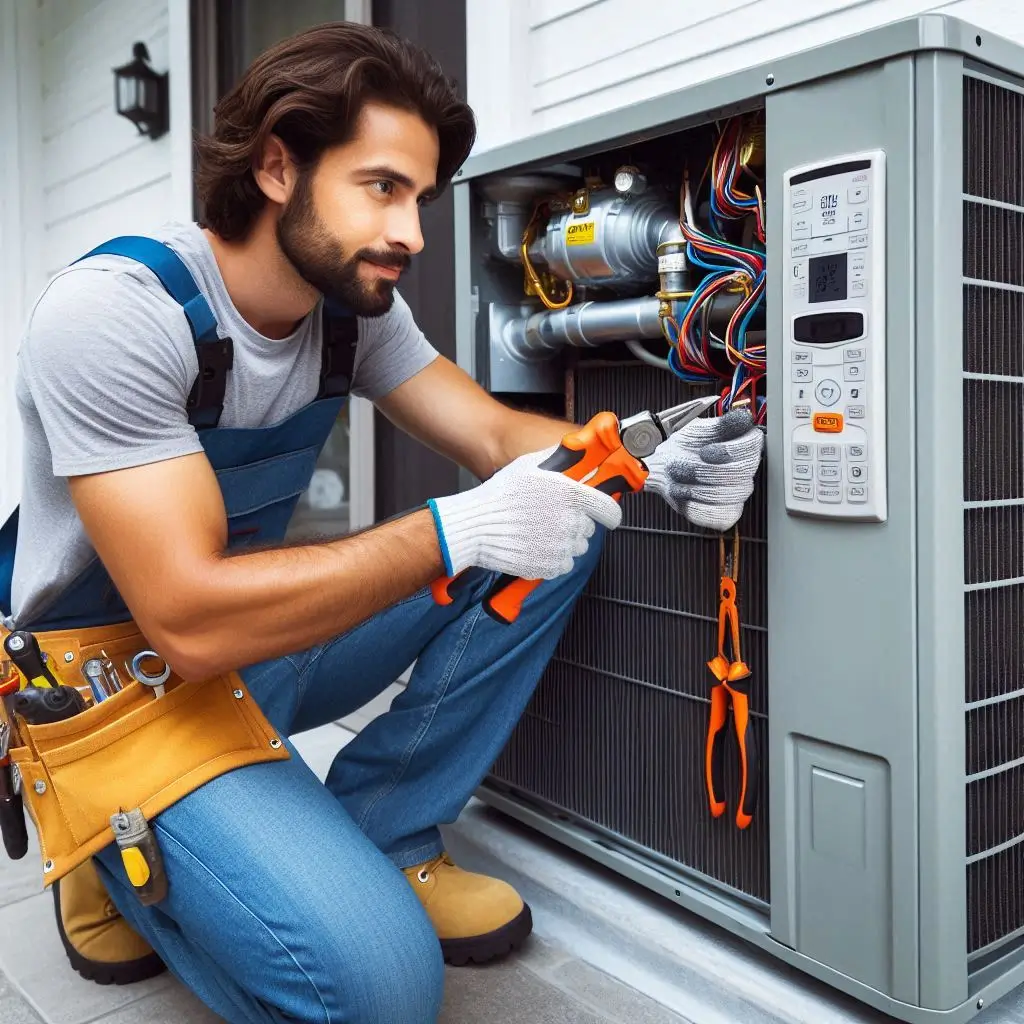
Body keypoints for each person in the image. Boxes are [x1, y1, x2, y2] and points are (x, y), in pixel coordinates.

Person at [4, 21, 763, 1024]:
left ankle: (385, 828)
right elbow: (187, 617)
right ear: (277, 167)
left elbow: (494, 434)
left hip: (249, 647)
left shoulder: (348, 310)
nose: (411, 231)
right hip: (121, 683)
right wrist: (455, 530)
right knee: (379, 991)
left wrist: (644, 463)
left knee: (565, 511)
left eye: (418, 197)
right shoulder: (117, 315)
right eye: (380, 188)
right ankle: (100, 841)